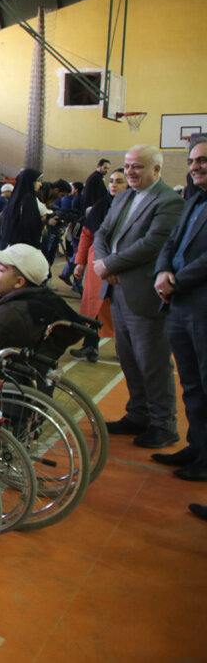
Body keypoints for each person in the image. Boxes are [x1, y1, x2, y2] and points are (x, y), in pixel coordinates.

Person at [93, 144, 185, 450]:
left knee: (152, 361)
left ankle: (164, 424)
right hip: (118, 289)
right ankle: (138, 414)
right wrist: (105, 266)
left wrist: (109, 264)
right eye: (128, 165)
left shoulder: (168, 201)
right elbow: (102, 233)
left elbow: (153, 243)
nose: (130, 171)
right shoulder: (124, 196)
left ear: (156, 170)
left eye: (138, 166)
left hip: (144, 292)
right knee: (129, 358)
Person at [154, 138, 207, 482]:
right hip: (180, 306)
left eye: (202, 160)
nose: (195, 166)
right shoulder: (192, 199)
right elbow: (172, 241)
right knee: (191, 385)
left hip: (200, 304)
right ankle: (197, 448)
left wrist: (177, 280)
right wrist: (162, 271)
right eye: (191, 161)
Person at [70, 169, 128, 361]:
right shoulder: (101, 206)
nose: (113, 184)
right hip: (97, 266)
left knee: (121, 308)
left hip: (123, 265)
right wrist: (79, 263)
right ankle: (90, 346)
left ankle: (124, 349)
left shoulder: (135, 206)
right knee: (94, 307)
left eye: (119, 181)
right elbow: (87, 235)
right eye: (111, 181)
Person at [0, 168, 44, 249]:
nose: (40, 184)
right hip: (24, 245)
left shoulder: (15, 197)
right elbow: (30, 224)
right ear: (30, 181)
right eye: (38, 181)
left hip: (12, 243)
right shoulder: (28, 199)